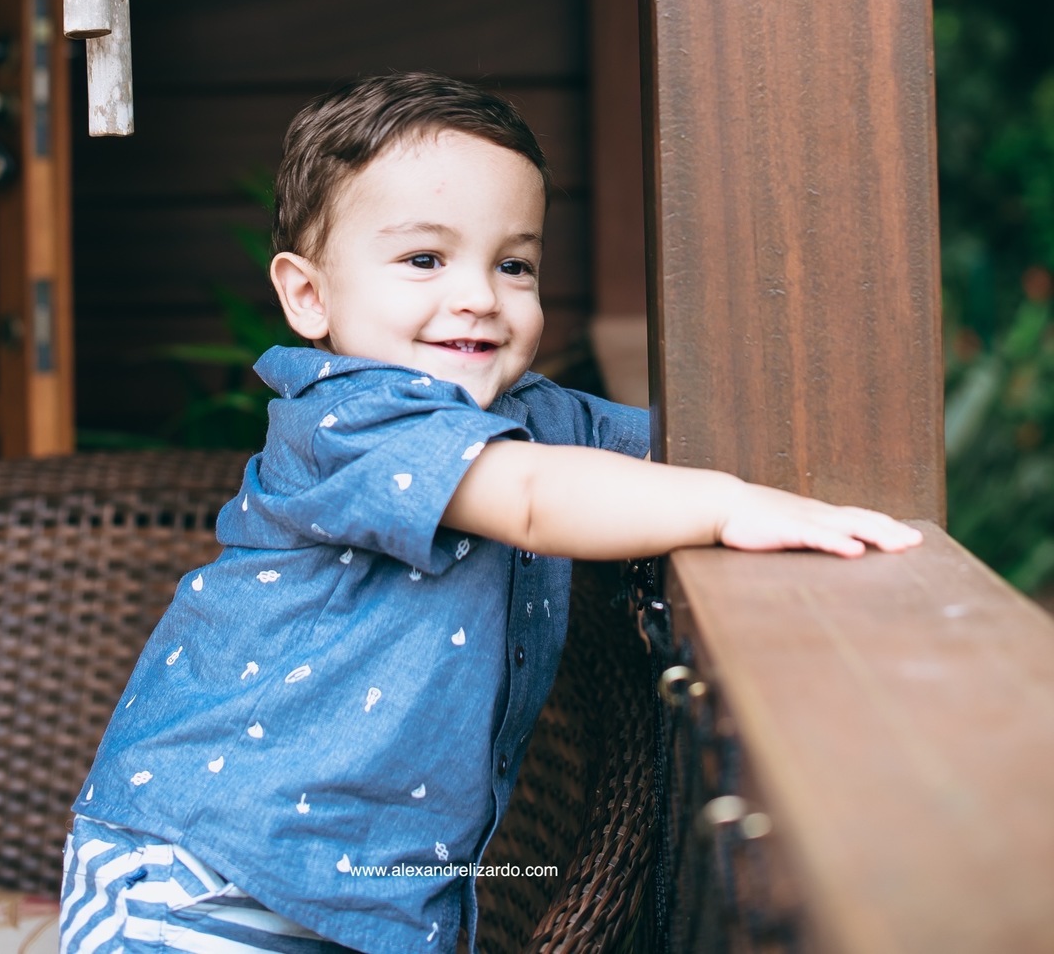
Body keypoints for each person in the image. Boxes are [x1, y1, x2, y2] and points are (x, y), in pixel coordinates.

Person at [60, 73, 921, 954]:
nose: (478, 296)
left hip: (368, 899)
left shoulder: (538, 419)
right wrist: (730, 507)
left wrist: (801, 454)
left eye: (514, 264)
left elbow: (692, 445)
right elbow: (538, 499)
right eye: (425, 259)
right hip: (197, 878)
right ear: (308, 296)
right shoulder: (346, 417)